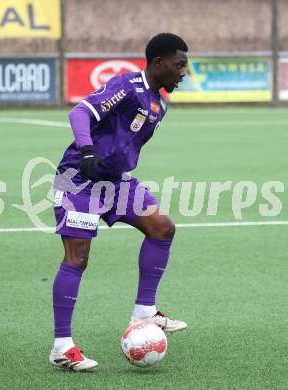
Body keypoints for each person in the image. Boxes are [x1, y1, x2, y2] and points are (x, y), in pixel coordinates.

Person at [49, 33, 189, 371]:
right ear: (158, 63)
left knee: (161, 227)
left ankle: (144, 312)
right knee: (77, 258)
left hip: (114, 182)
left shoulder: (159, 104)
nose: (184, 71)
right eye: (179, 64)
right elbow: (80, 113)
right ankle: (61, 346)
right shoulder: (126, 85)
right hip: (79, 179)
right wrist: (86, 150)